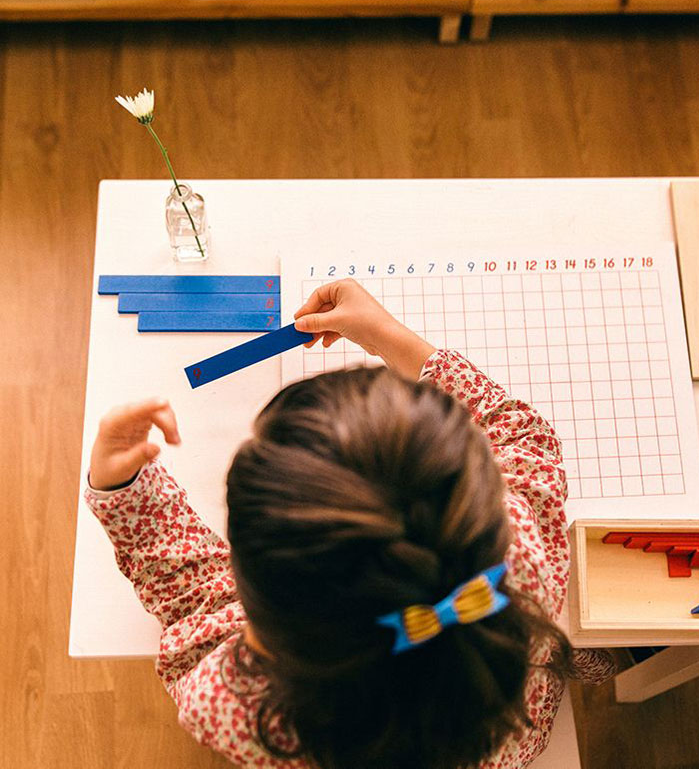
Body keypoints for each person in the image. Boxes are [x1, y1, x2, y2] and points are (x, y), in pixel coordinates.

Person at [85, 279, 616, 769]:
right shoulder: (522, 556)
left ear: (259, 616)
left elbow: (193, 603)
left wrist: (124, 489)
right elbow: (518, 435)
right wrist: (387, 334)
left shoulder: (240, 709)